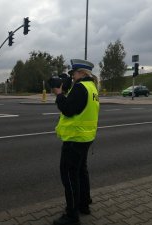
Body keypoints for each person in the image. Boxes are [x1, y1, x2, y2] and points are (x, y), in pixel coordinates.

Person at [52, 59, 100, 225]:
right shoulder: (92, 87)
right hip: (86, 137)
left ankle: (72, 216)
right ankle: (84, 204)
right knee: (81, 171)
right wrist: (65, 90)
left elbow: (69, 109)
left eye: (74, 74)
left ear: (81, 73)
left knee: (69, 176)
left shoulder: (80, 87)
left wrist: (59, 94)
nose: (72, 77)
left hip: (75, 138)